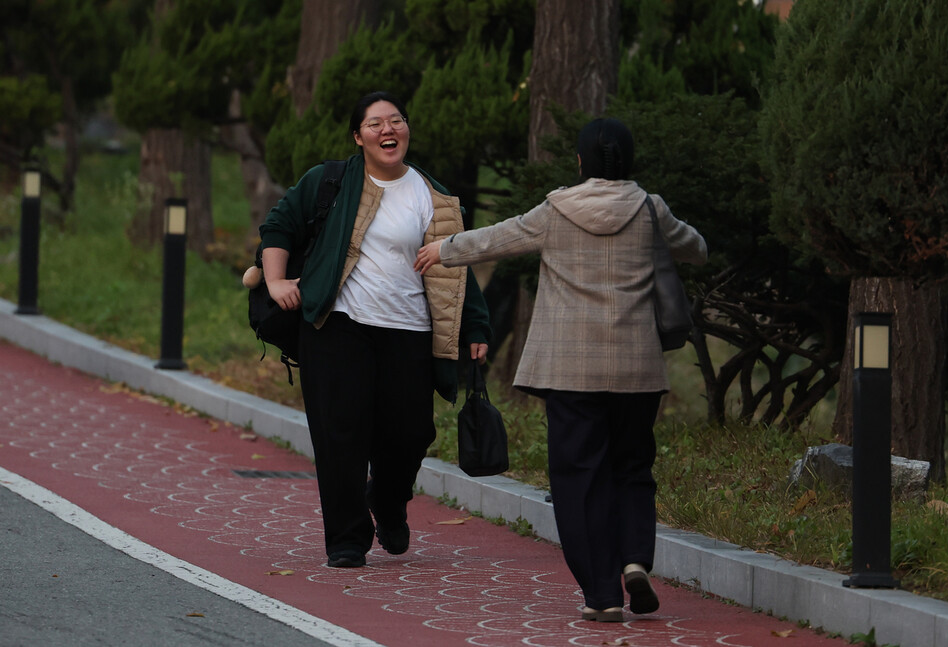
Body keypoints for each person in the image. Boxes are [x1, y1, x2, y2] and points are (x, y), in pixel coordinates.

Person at [414, 118, 707, 621]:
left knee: (579, 475)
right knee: (634, 466)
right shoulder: (650, 208)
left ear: (580, 163)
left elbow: (496, 240)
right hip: (637, 369)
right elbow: (696, 249)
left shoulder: (556, 209)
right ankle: (635, 558)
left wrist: (444, 250)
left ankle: (603, 593)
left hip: (570, 369)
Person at [259, 91, 491, 568]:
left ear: (407, 129)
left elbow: (456, 268)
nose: (388, 130)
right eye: (375, 124)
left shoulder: (434, 196)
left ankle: (387, 502)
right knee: (339, 432)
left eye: (396, 121)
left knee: (410, 433)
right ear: (358, 136)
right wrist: (276, 280)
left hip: (408, 331)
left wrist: (476, 326)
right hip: (337, 325)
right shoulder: (331, 181)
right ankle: (346, 539)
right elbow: (279, 226)